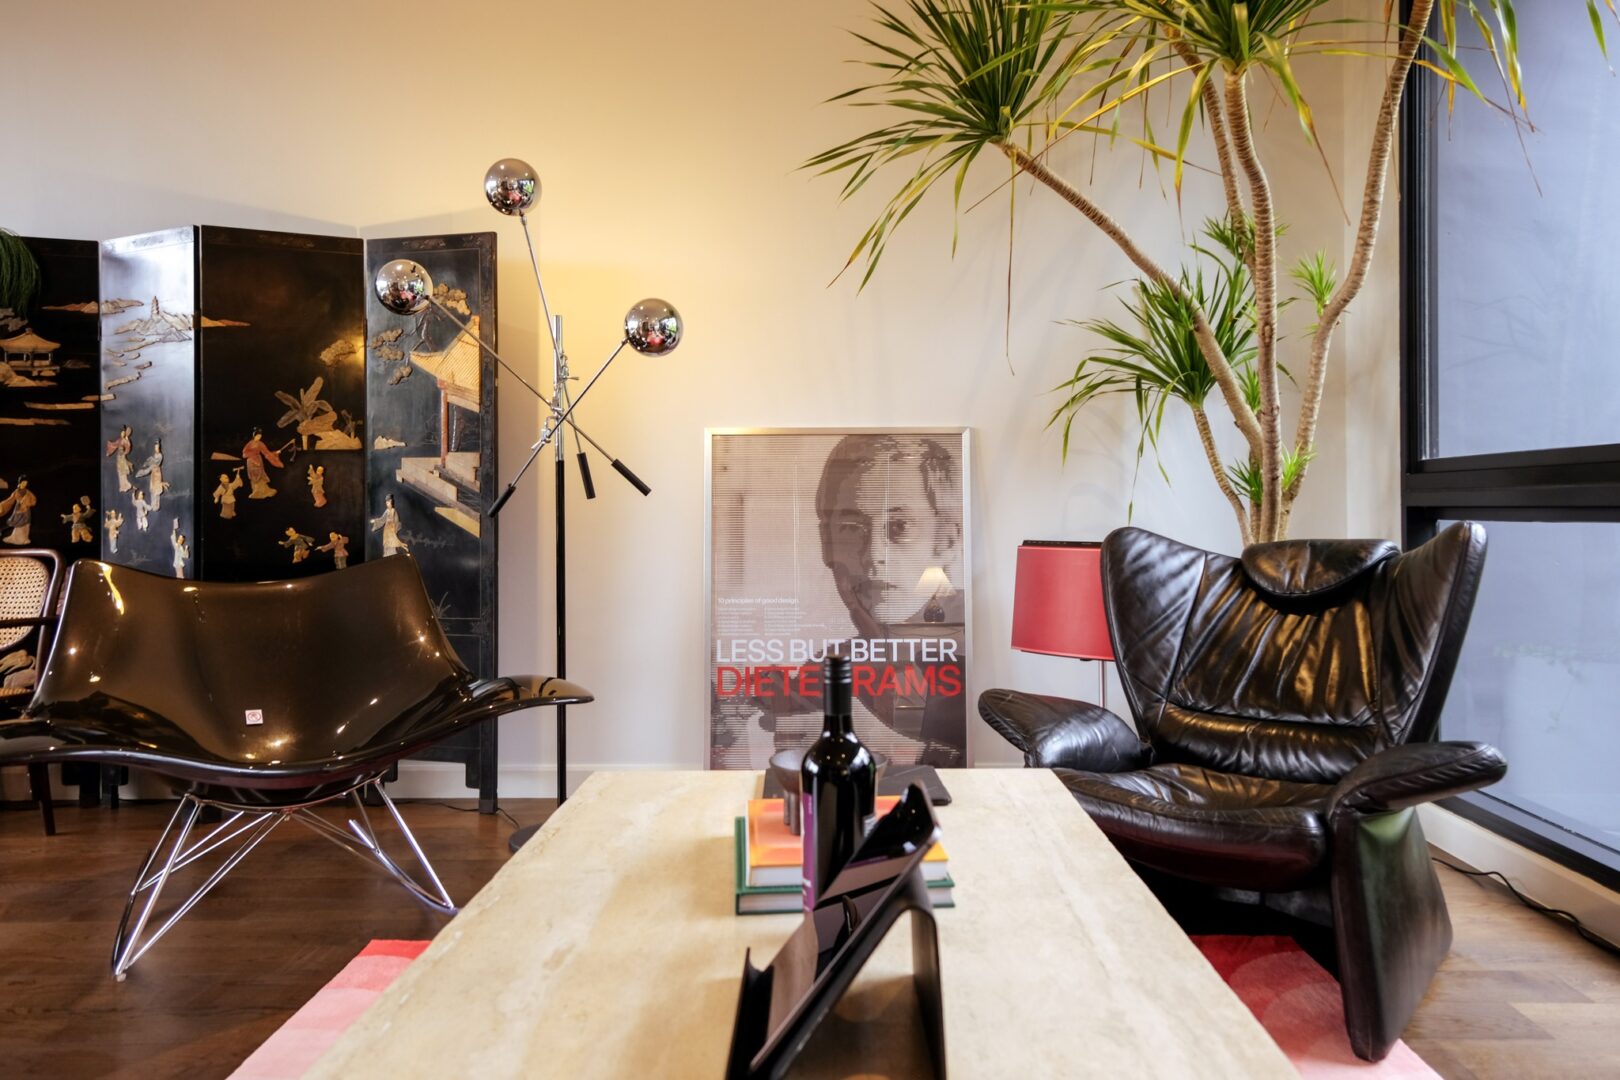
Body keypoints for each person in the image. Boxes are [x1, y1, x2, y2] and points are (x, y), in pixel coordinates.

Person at [242, 428, 284, 499]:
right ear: (254, 436)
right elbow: (244, 454)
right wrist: (252, 455)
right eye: (258, 436)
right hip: (251, 462)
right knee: (254, 476)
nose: (259, 437)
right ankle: (256, 491)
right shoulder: (250, 443)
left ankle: (264, 491)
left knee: (260, 474)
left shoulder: (260, 444)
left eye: (260, 436)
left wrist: (275, 453)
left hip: (258, 460)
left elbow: (266, 452)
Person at [0, 476, 38, 545]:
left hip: (26, 511)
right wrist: (2, 505)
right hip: (18, 510)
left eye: (26, 483)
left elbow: (33, 500)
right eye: (23, 482)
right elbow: (10, 500)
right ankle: (17, 538)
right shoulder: (16, 492)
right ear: (20, 483)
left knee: (26, 524)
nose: (24, 484)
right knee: (18, 524)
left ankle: (25, 538)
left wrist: (27, 502)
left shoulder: (28, 492)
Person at [135, 440, 171, 511]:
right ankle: (153, 505)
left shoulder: (159, 458)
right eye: (155, 448)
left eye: (158, 448)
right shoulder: (153, 465)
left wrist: (162, 483)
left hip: (157, 482)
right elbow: (147, 471)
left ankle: (154, 505)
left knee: (156, 494)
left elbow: (157, 477)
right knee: (155, 493)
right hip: (155, 483)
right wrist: (139, 473)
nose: (156, 450)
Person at [105, 424, 133, 493]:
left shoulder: (125, 440)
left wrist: (124, 452)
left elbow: (128, 447)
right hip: (119, 457)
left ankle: (125, 484)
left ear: (125, 433)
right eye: (121, 433)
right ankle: (122, 486)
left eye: (123, 433)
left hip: (122, 456)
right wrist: (109, 452)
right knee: (120, 471)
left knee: (123, 470)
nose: (122, 434)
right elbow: (114, 445)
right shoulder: (119, 440)